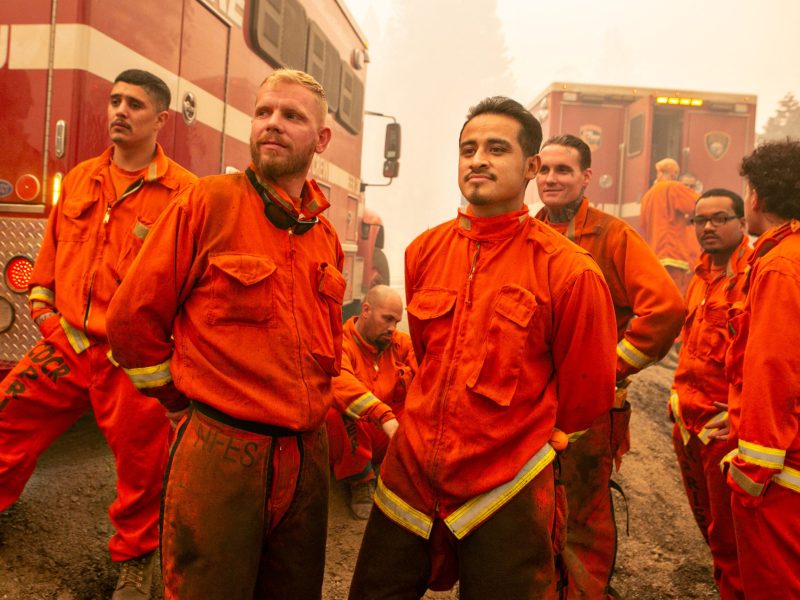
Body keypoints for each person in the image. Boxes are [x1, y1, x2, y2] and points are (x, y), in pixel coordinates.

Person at [347, 97, 617, 599]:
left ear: (531, 166)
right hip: (409, 474)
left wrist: (536, 444)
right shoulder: (424, 250)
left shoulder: (570, 270)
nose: (478, 159)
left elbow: (588, 393)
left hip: (507, 484)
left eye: (497, 148)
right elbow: (428, 358)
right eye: (468, 148)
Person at [105, 68, 344, 599]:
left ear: (321, 139)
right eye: (264, 113)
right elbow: (130, 323)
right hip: (220, 450)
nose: (272, 124)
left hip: (306, 459)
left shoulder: (323, 234)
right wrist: (178, 400)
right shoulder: (208, 203)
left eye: (291, 116)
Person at [0, 69, 196, 600]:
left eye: (134, 104)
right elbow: (48, 262)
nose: (119, 111)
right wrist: (45, 319)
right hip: (68, 343)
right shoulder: (82, 177)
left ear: (160, 119)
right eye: (114, 101)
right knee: (6, 416)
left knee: (143, 466)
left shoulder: (186, 196)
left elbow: (193, 288)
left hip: (132, 359)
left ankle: (137, 561)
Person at [534, 134, 685, 598]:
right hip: (525, 402)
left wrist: (609, 368)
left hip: (587, 409)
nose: (551, 179)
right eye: (544, 170)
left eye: (564, 170)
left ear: (586, 178)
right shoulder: (524, 232)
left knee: (581, 509)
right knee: (527, 509)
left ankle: (582, 592)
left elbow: (664, 308)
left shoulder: (612, 235)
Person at [723, 140, 800, 599]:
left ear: (758, 197)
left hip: (781, 474)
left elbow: (775, 367)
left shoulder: (779, 266)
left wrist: (753, 468)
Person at [670, 188, 750, 599]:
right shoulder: (698, 278)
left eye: (720, 218)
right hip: (688, 425)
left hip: (724, 433)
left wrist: (741, 413)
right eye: (700, 220)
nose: (708, 227)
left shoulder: (753, 278)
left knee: (733, 540)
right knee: (710, 533)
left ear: (743, 222)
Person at [326, 284, 417, 520]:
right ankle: (361, 479)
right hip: (359, 435)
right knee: (334, 410)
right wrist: (384, 416)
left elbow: (428, 371)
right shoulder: (341, 344)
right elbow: (340, 382)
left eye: (396, 322)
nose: (392, 328)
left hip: (389, 436)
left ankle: (401, 473)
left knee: (422, 404)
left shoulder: (400, 343)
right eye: (387, 319)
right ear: (365, 310)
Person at [640, 157, 701, 295]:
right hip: (673, 253)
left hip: (655, 257)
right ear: (674, 174)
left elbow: (644, 224)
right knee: (676, 298)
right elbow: (699, 205)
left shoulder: (647, 196)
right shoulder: (672, 187)